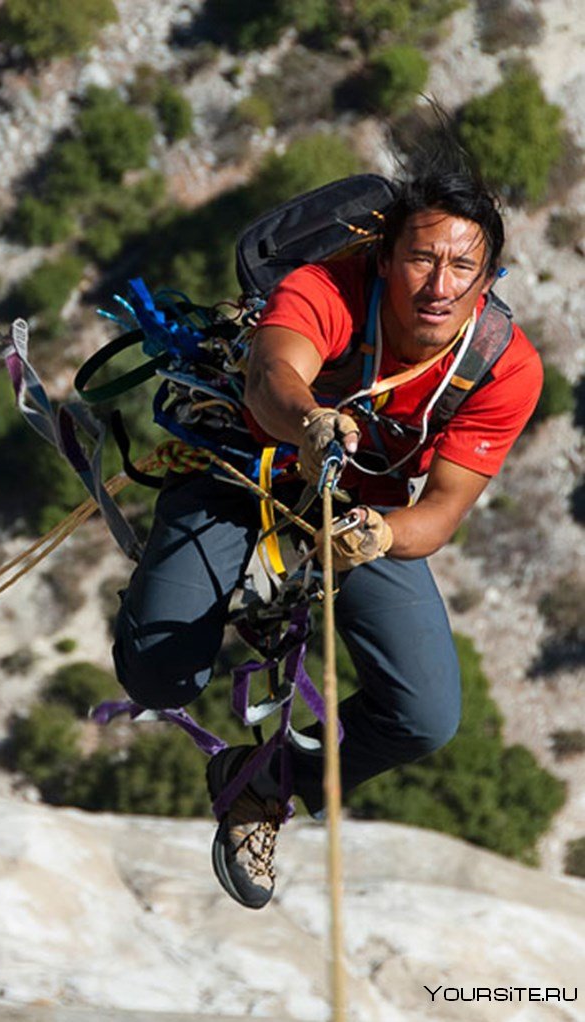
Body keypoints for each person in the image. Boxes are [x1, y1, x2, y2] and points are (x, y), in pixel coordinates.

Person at [111, 167, 543, 910]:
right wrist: (309, 419)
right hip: (240, 467)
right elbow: (272, 376)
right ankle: (186, 591)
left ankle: (264, 786)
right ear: (385, 257)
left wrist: (379, 533)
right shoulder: (326, 289)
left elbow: (438, 514)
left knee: (425, 716)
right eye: (421, 258)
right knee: (158, 676)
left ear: (488, 276)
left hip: (353, 511)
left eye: (463, 267)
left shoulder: (503, 368)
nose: (439, 285)